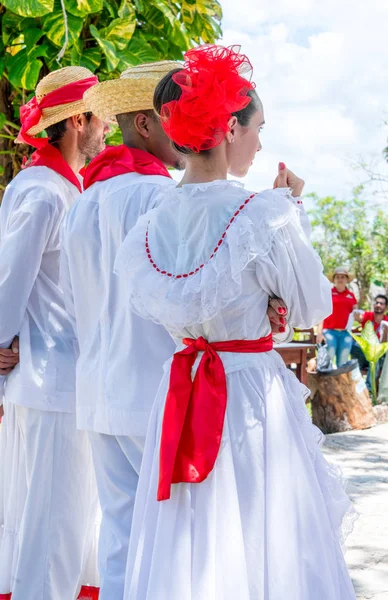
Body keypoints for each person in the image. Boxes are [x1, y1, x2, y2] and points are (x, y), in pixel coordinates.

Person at [115, 45, 356, 599]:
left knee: (191, 530)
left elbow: (178, 305)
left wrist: (254, 302)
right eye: (257, 127)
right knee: (262, 526)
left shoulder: (151, 223)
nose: (261, 142)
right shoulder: (263, 213)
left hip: (181, 390)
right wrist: (290, 212)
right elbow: (311, 305)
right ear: (228, 128)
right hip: (247, 392)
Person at [60, 60, 290, 600]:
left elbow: (77, 304)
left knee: (119, 537)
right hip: (163, 393)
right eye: (176, 117)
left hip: (97, 391)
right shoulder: (163, 198)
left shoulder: (83, 201)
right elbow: (203, 298)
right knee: (179, 544)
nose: (190, 129)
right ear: (147, 124)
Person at [0, 66, 108, 600]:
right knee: (49, 528)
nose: (108, 126)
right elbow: (7, 288)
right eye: (101, 116)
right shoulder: (43, 191)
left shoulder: (64, 187)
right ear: (77, 121)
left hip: (65, 381)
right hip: (49, 382)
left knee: (64, 524)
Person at [317, 266, 357, 367]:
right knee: (328, 358)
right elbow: (322, 314)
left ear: (347, 280)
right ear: (334, 279)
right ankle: (326, 381)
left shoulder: (351, 296)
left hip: (345, 333)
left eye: (343, 277)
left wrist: (358, 315)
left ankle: (340, 382)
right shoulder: (328, 293)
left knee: (343, 361)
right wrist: (319, 333)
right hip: (329, 332)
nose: (340, 279)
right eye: (337, 277)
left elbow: (356, 314)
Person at [351, 294, 388, 389]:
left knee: (376, 357)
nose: (378, 305)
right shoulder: (368, 316)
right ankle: (352, 384)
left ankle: (368, 389)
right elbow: (360, 317)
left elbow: (384, 344)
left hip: (378, 356)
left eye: (381, 303)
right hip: (363, 354)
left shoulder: (386, 321)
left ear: (386, 307)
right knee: (353, 344)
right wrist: (356, 314)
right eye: (377, 303)